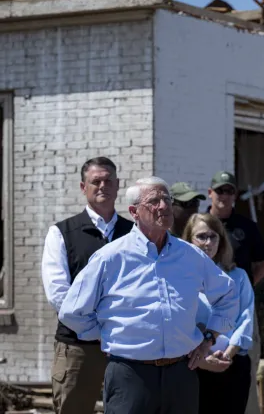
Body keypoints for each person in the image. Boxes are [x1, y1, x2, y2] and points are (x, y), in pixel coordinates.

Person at [58, 177, 239, 414]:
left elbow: (228, 294)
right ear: (134, 211)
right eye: (154, 201)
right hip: (130, 375)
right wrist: (104, 335)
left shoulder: (190, 255)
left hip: (181, 374)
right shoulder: (111, 257)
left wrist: (208, 339)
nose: (163, 206)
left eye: (167, 199)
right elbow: (72, 311)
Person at [41, 157, 134, 414]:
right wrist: (98, 330)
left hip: (126, 349)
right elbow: (59, 294)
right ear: (84, 187)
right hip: (78, 348)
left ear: (117, 186)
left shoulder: (135, 233)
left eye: (108, 181)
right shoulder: (62, 233)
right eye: (96, 181)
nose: (102, 186)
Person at [207, 170, 264, 413]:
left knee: (246, 360)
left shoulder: (247, 226)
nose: (224, 195)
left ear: (235, 195)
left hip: (241, 309)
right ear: (210, 193)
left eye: (229, 190)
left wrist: (242, 289)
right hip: (206, 310)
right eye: (220, 190)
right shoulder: (200, 223)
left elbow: (263, 263)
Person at [183, 213, 255, 413]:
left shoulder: (238, 276)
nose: (208, 243)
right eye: (201, 236)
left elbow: (246, 320)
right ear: (188, 240)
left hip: (231, 363)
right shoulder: (180, 279)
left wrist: (228, 355)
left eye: (213, 236)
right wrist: (204, 360)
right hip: (194, 365)